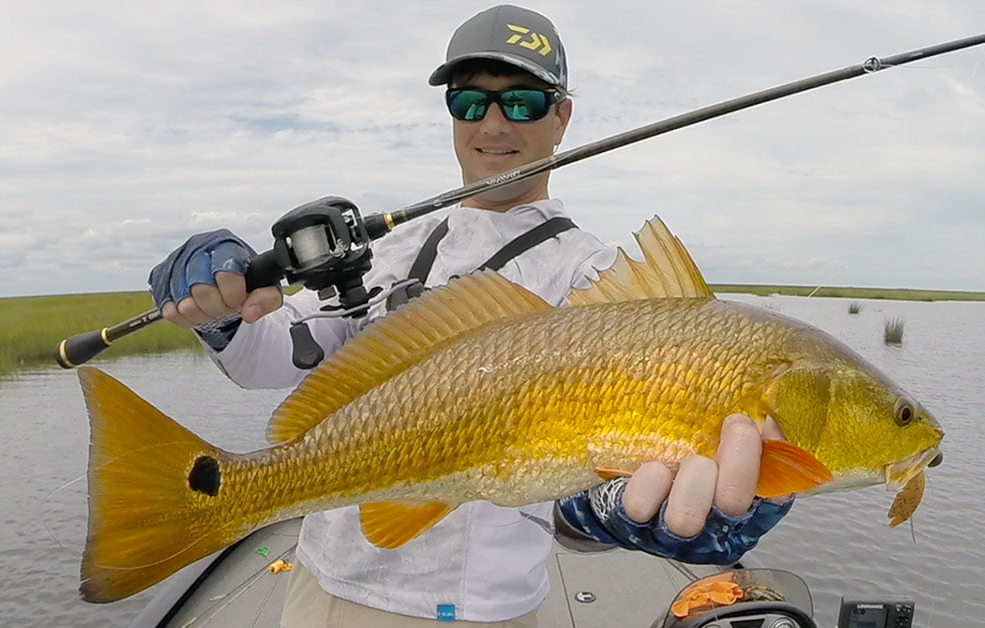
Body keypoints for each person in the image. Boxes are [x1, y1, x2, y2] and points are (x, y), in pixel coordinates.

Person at [146, 5, 792, 626]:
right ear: (450, 114)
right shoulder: (398, 247)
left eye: (522, 100)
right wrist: (223, 313)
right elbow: (286, 355)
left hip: (476, 614)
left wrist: (630, 512)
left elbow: (581, 477)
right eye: (469, 100)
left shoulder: (596, 283)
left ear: (562, 116)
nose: (493, 123)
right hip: (323, 587)